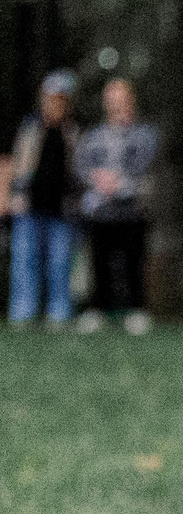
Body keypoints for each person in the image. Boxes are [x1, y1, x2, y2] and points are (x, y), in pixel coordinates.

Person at [75, 77, 157, 334]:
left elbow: (145, 163)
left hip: (132, 209)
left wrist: (119, 181)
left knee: (133, 261)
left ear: (130, 100)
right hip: (101, 211)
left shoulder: (144, 135)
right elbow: (82, 166)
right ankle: (97, 309)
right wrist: (97, 179)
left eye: (120, 98)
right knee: (99, 262)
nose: (115, 104)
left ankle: (135, 310)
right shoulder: (94, 136)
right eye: (111, 99)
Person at [10, 71, 83, 329]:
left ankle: (59, 313)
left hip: (61, 208)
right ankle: (23, 312)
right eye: (51, 98)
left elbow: (78, 170)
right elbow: (16, 163)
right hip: (29, 205)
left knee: (60, 263)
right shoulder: (30, 127)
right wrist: (12, 195)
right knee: (25, 260)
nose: (55, 104)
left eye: (61, 99)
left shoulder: (73, 131)